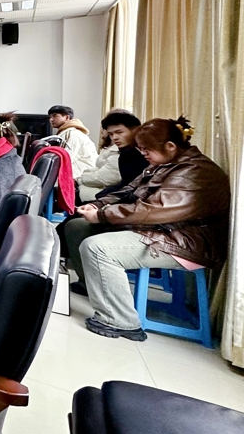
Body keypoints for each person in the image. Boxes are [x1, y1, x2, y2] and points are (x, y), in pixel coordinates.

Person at [65, 118, 230, 341]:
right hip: (162, 231)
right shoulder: (164, 164)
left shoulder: (196, 172)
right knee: (77, 227)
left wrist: (103, 215)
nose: (143, 154)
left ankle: (120, 321)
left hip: (185, 242)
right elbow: (128, 190)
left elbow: (155, 210)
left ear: (170, 146)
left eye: (146, 149)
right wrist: (98, 205)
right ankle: (93, 286)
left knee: (97, 248)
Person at [76, 111, 147, 202]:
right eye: (111, 134)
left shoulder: (139, 152)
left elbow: (133, 186)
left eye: (119, 132)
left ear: (135, 130)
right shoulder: (126, 152)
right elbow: (128, 183)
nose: (114, 138)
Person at [49, 105, 98, 176]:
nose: (51, 119)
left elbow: (65, 159)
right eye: (50, 117)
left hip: (81, 175)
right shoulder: (70, 132)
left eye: (55, 116)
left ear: (67, 117)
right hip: (83, 172)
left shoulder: (71, 134)